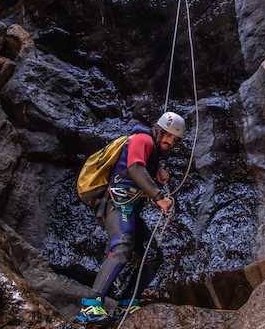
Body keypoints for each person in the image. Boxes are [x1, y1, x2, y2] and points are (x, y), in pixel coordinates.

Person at [76, 111, 185, 325]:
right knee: (122, 247)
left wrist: (159, 179)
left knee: (153, 256)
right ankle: (91, 305)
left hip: (130, 209)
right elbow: (134, 168)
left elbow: (141, 174)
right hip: (116, 205)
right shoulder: (142, 138)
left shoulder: (153, 154)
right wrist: (159, 197)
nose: (171, 141)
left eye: (175, 139)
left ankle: (126, 303)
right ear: (160, 130)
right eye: (169, 135)